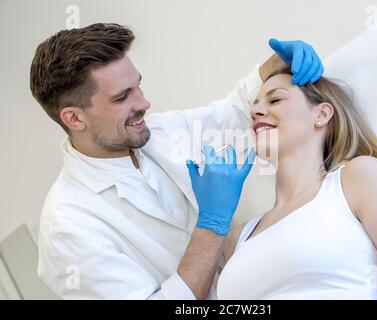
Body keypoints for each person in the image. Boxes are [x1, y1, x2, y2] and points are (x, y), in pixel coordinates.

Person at [30, 23, 323, 299]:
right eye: (122, 98)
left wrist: (276, 63)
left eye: (138, 86)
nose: (143, 104)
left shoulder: (159, 132)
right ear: (74, 118)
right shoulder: (67, 227)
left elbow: (234, 112)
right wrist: (211, 225)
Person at [187, 67, 377, 299]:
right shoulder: (237, 238)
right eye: (253, 107)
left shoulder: (356, 178)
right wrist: (210, 220)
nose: (255, 112)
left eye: (275, 99)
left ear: (322, 114)